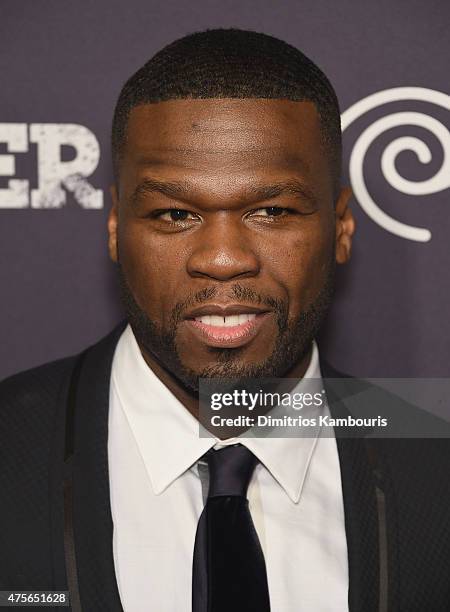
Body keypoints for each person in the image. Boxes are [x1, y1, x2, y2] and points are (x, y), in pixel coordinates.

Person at [1, 28, 449, 612]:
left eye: (271, 210)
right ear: (115, 226)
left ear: (341, 226)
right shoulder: (13, 451)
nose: (222, 258)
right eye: (175, 213)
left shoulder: (435, 471)